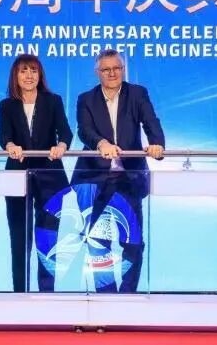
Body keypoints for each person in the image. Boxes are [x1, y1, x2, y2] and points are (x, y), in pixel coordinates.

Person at [72, 49, 164, 293]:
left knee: (133, 242)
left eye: (117, 68)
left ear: (123, 69)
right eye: (106, 69)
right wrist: (101, 143)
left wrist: (157, 143)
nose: (112, 73)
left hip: (128, 178)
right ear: (97, 72)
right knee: (97, 242)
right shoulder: (86, 99)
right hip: (94, 179)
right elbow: (84, 130)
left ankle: (127, 295)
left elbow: (151, 121)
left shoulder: (137, 93)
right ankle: (106, 296)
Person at [0, 54, 73, 292]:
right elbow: (3, 134)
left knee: (48, 239)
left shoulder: (53, 101)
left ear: (40, 75)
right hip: (17, 176)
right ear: (15, 76)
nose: (29, 76)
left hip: (50, 176)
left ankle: (46, 294)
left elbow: (66, 132)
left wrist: (61, 147)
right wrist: (10, 145)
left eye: (33, 71)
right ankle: (20, 293)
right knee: (19, 239)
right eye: (23, 71)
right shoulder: (7, 105)